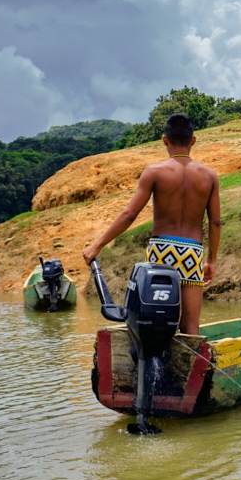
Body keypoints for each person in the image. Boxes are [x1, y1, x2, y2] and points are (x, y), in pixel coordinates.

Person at [83, 114, 221, 335]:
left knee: (154, 321)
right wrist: (211, 261)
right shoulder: (209, 176)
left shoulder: (154, 172)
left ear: (164, 140)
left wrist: (97, 245)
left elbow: (130, 214)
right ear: (193, 140)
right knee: (190, 326)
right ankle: (190, 369)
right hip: (192, 253)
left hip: (161, 252)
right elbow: (215, 222)